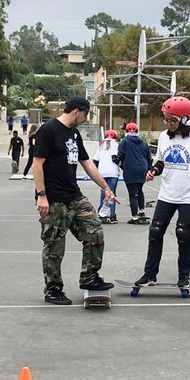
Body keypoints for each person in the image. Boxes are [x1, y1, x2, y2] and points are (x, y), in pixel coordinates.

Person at [33, 95, 118, 304]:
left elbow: (87, 163)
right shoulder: (49, 130)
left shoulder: (74, 134)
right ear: (76, 111)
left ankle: (89, 277)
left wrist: (106, 188)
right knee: (54, 246)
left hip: (74, 196)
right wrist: (42, 195)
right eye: (86, 113)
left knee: (95, 232)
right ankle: (53, 289)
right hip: (53, 199)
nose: (86, 118)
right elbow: (37, 164)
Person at [133, 96, 190, 289]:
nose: (169, 123)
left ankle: (183, 276)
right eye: (166, 119)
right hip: (167, 194)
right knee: (155, 232)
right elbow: (160, 162)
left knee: (183, 234)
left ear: (184, 119)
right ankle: (150, 274)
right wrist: (152, 171)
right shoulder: (163, 137)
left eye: (172, 120)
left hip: (188, 196)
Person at [117, 122, 152, 224]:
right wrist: (148, 169)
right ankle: (141, 211)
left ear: (126, 131)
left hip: (130, 168)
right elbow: (148, 157)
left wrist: (118, 162)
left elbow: (120, 155)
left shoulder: (125, 142)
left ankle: (135, 217)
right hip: (142, 168)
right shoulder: (143, 142)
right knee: (140, 190)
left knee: (133, 194)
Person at [94, 129, 121, 223]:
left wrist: (97, 171)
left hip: (102, 172)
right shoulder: (117, 145)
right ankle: (112, 215)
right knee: (112, 193)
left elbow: (95, 160)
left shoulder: (100, 146)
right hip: (113, 172)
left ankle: (102, 214)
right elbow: (119, 159)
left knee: (103, 192)